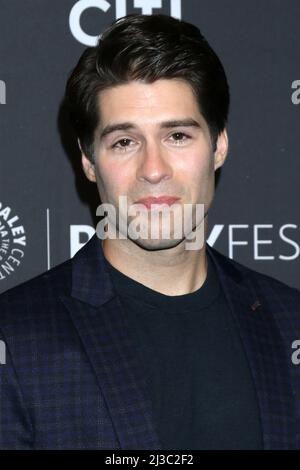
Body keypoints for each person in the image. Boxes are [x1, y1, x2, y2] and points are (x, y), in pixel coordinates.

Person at [1, 13, 300, 450]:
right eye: (124, 141)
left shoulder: (288, 320)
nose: (154, 170)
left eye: (177, 135)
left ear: (218, 146)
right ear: (88, 161)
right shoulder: (15, 338)